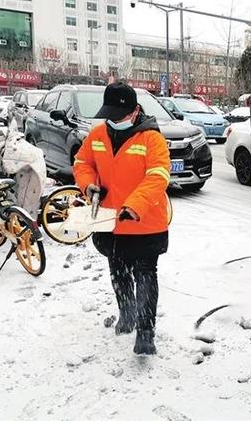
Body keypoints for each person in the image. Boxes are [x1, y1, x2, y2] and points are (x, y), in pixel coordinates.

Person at [73, 81, 171, 355]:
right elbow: (82, 163)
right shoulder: (97, 135)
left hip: (144, 221)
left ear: (135, 111)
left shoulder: (152, 139)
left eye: (120, 116)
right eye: (110, 116)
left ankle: (146, 331)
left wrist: (135, 205)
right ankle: (126, 315)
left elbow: (158, 176)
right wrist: (89, 185)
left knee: (145, 274)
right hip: (107, 220)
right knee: (117, 270)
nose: (114, 121)